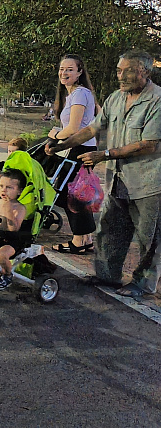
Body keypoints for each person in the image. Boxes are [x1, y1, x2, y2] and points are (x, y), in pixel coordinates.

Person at [46, 50, 161, 297]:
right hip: (118, 179)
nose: (121, 76)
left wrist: (105, 155)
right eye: (119, 70)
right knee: (109, 229)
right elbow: (91, 129)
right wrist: (61, 145)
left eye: (128, 70)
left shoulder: (157, 100)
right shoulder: (116, 99)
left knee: (147, 237)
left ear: (145, 72)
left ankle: (143, 284)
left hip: (148, 182)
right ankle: (107, 276)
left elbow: (148, 143)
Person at [48, 54, 99, 255]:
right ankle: (85, 239)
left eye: (70, 69)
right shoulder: (74, 94)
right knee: (78, 194)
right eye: (62, 69)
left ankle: (79, 241)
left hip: (81, 148)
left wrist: (54, 135)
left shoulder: (80, 93)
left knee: (70, 194)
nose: (64, 73)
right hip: (80, 147)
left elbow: (74, 128)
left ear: (79, 73)